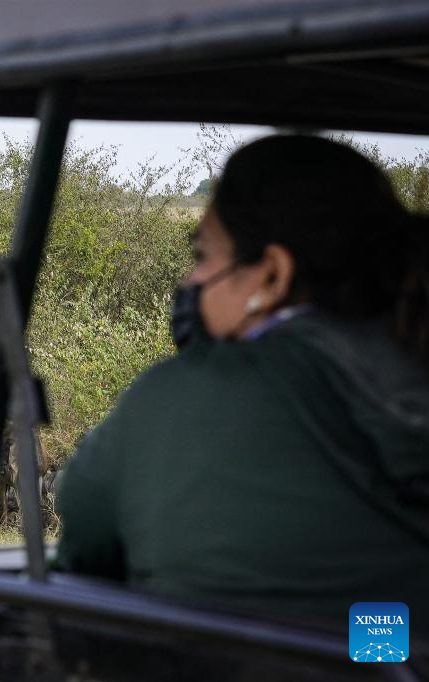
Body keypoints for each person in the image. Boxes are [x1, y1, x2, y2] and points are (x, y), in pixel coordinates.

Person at [55, 135, 429, 633]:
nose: (190, 282)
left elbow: (84, 545)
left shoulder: (177, 399)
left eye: (202, 255)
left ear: (272, 275)